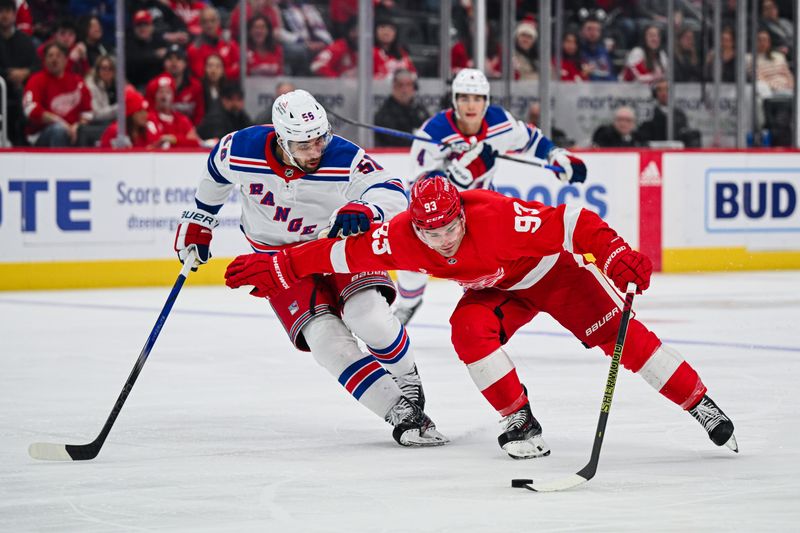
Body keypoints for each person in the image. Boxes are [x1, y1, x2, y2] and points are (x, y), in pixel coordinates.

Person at [224, 173, 739, 460]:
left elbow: (574, 221)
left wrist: (615, 253)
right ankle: (519, 421)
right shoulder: (402, 236)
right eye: (432, 233)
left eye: (451, 227)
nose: (444, 240)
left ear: (462, 214)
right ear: (415, 228)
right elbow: (340, 255)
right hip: (496, 291)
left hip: (551, 277)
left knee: (624, 340)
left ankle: (701, 404)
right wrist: (280, 264)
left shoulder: (496, 221)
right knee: (466, 330)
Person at [173, 89, 447, 447]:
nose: (316, 150)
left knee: (370, 318)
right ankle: (401, 413)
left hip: (336, 248)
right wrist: (200, 218)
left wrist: (367, 210)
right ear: (282, 141)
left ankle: (407, 378)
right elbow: (214, 171)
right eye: (305, 145)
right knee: (326, 343)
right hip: (278, 262)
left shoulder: (343, 156)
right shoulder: (240, 147)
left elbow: (393, 191)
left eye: (320, 139)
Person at [392, 68, 587, 325]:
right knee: (412, 260)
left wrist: (556, 155)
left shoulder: (499, 121)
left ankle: (482, 310)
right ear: (454, 100)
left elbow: (530, 139)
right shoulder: (433, 132)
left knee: (482, 266)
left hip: (479, 207)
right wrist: (457, 175)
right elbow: (417, 186)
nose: (471, 105)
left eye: (477, 98)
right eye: (463, 98)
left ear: (486, 101)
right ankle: (408, 302)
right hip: (437, 216)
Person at [22, 42, 92, 147]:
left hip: (73, 132)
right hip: (42, 134)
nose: (54, 59)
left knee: (85, 131)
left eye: (58, 55)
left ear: (65, 59)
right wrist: (62, 123)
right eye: (50, 56)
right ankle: (59, 163)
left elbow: (87, 112)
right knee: (58, 130)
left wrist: (77, 126)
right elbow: (30, 109)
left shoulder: (77, 82)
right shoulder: (36, 80)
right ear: (44, 60)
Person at [0, 0, 38, 146]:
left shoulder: (26, 41)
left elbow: (37, 66)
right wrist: (9, 75)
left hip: (21, 93)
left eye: (8, 11)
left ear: (14, 15)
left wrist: (25, 72)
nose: (4, 15)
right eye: (1, 11)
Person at [373, 69, 429, 147]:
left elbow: (430, 131)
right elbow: (394, 140)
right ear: (394, 87)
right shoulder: (384, 114)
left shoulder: (420, 110)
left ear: (414, 87)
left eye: (408, 85)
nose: (404, 90)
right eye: (400, 85)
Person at [637, 80, 701, 147]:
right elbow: (644, 139)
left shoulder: (680, 114)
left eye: (666, 89)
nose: (663, 93)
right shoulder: (649, 115)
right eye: (660, 90)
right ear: (655, 93)